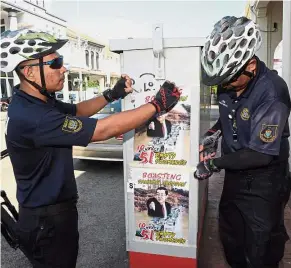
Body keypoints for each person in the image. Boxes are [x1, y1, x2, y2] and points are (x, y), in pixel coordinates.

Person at [1, 28, 181, 268]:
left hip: (49, 215)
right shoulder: (34, 117)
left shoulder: (36, 103)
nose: (63, 68)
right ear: (30, 72)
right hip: (46, 221)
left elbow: (77, 112)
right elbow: (101, 130)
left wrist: (111, 94)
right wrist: (156, 105)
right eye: (56, 62)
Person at [194, 16, 291, 268]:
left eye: (229, 79)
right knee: (231, 238)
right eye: (220, 81)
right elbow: (230, 118)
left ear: (250, 65)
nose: (224, 85)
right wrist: (215, 132)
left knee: (261, 249)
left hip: (265, 180)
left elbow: (261, 154)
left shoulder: (272, 92)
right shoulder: (227, 83)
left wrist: (214, 164)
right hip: (236, 175)